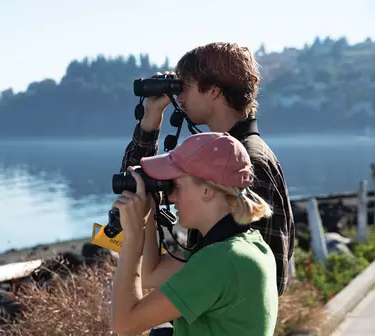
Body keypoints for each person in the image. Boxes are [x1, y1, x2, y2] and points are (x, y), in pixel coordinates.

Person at [120, 42, 295, 297]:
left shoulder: (247, 161)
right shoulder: (221, 155)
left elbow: (268, 272)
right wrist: (151, 117)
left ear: (213, 91)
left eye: (185, 87)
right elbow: (135, 182)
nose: (179, 98)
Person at [110, 132, 279, 336]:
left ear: (207, 191)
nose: (171, 197)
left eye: (177, 186)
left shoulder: (220, 261)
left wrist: (133, 235)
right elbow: (150, 275)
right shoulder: (248, 246)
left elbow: (124, 325)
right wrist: (148, 218)